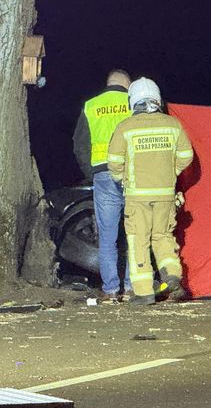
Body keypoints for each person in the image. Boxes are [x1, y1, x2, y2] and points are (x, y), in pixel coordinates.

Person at [107, 77, 194, 304]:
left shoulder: (125, 127)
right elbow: (187, 156)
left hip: (137, 196)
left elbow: (115, 162)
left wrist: (122, 180)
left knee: (138, 241)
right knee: (163, 237)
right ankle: (172, 275)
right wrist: (170, 173)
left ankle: (144, 291)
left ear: (132, 100)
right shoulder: (172, 125)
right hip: (165, 194)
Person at [72, 69, 133, 300]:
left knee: (108, 237)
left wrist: (91, 173)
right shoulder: (133, 102)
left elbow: (80, 145)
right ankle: (131, 287)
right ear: (127, 84)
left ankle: (110, 290)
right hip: (132, 174)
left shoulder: (91, 106)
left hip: (103, 175)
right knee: (134, 233)